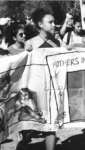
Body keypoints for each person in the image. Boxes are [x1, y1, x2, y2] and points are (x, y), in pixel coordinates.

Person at [24, 8, 61, 150]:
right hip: (36, 90)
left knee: (51, 124)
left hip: (52, 89)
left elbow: (68, 52)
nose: (54, 25)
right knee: (36, 121)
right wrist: (26, 52)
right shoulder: (30, 43)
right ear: (40, 24)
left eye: (54, 22)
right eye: (50, 22)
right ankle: (26, 137)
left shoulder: (57, 42)